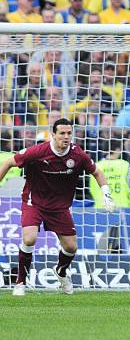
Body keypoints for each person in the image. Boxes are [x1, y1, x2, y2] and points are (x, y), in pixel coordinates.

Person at [0, 118, 115, 296]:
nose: (66, 137)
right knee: (29, 239)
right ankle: (20, 282)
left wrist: (106, 194)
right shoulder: (38, 152)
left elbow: (97, 172)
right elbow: (8, 163)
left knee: (71, 248)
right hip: (35, 203)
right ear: (53, 135)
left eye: (69, 133)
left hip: (60, 207)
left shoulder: (78, 155)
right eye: (62, 133)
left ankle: (61, 271)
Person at [89, 140, 130, 210]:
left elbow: (92, 188)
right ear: (117, 150)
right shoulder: (125, 165)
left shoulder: (96, 166)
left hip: (100, 207)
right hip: (122, 208)